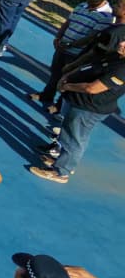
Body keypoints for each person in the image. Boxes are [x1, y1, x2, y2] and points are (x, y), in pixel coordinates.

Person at [29, 27, 125, 184]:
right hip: (79, 102)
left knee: (74, 140)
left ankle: (61, 172)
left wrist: (67, 86)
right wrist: (67, 76)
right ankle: (61, 160)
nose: (121, 43)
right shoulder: (117, 57)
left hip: (89, 108)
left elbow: (92, 88)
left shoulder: (122, 70)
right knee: (67, 134)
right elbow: (90, 66)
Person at [31, 0, 114, 110]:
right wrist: (58, 37)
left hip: (77, 53)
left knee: (69, 79)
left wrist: (71, 45)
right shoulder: (82, 5)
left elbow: (91, 37)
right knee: (55, 73)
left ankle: (59, 106)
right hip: (63, 47)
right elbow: (68, 22)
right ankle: (47, 95)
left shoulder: (106, 16)